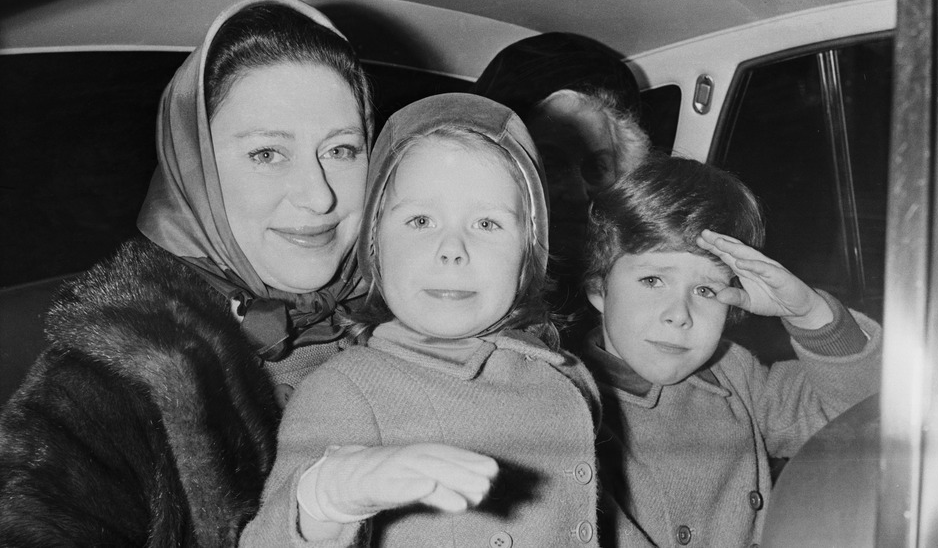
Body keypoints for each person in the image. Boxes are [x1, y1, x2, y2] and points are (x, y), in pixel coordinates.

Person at [0, 0, 373, 546]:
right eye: (267, 154)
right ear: (193, 168)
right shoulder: (105, 384)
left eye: (341, 150)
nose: (318, 197)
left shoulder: (417, 318)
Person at [241, 93, 604, 546]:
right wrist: (325, 499)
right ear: (374, 247)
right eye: (420, 221)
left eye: (487, 224)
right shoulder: (346, 391)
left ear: (529, 254)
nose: (452, 249)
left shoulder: (563, 373)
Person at [580, 152, 882, 547]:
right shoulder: (569, 402)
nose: (680, 314)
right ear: (598, 289)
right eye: (653, 280)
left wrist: (810, 314)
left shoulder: (734, 375)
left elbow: (857, 415)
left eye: (706, 290)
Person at [472, 32, 651, 353]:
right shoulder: (462, 278)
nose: (578, 191)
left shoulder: (630, 279)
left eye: (596, 167)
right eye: (551, 164)